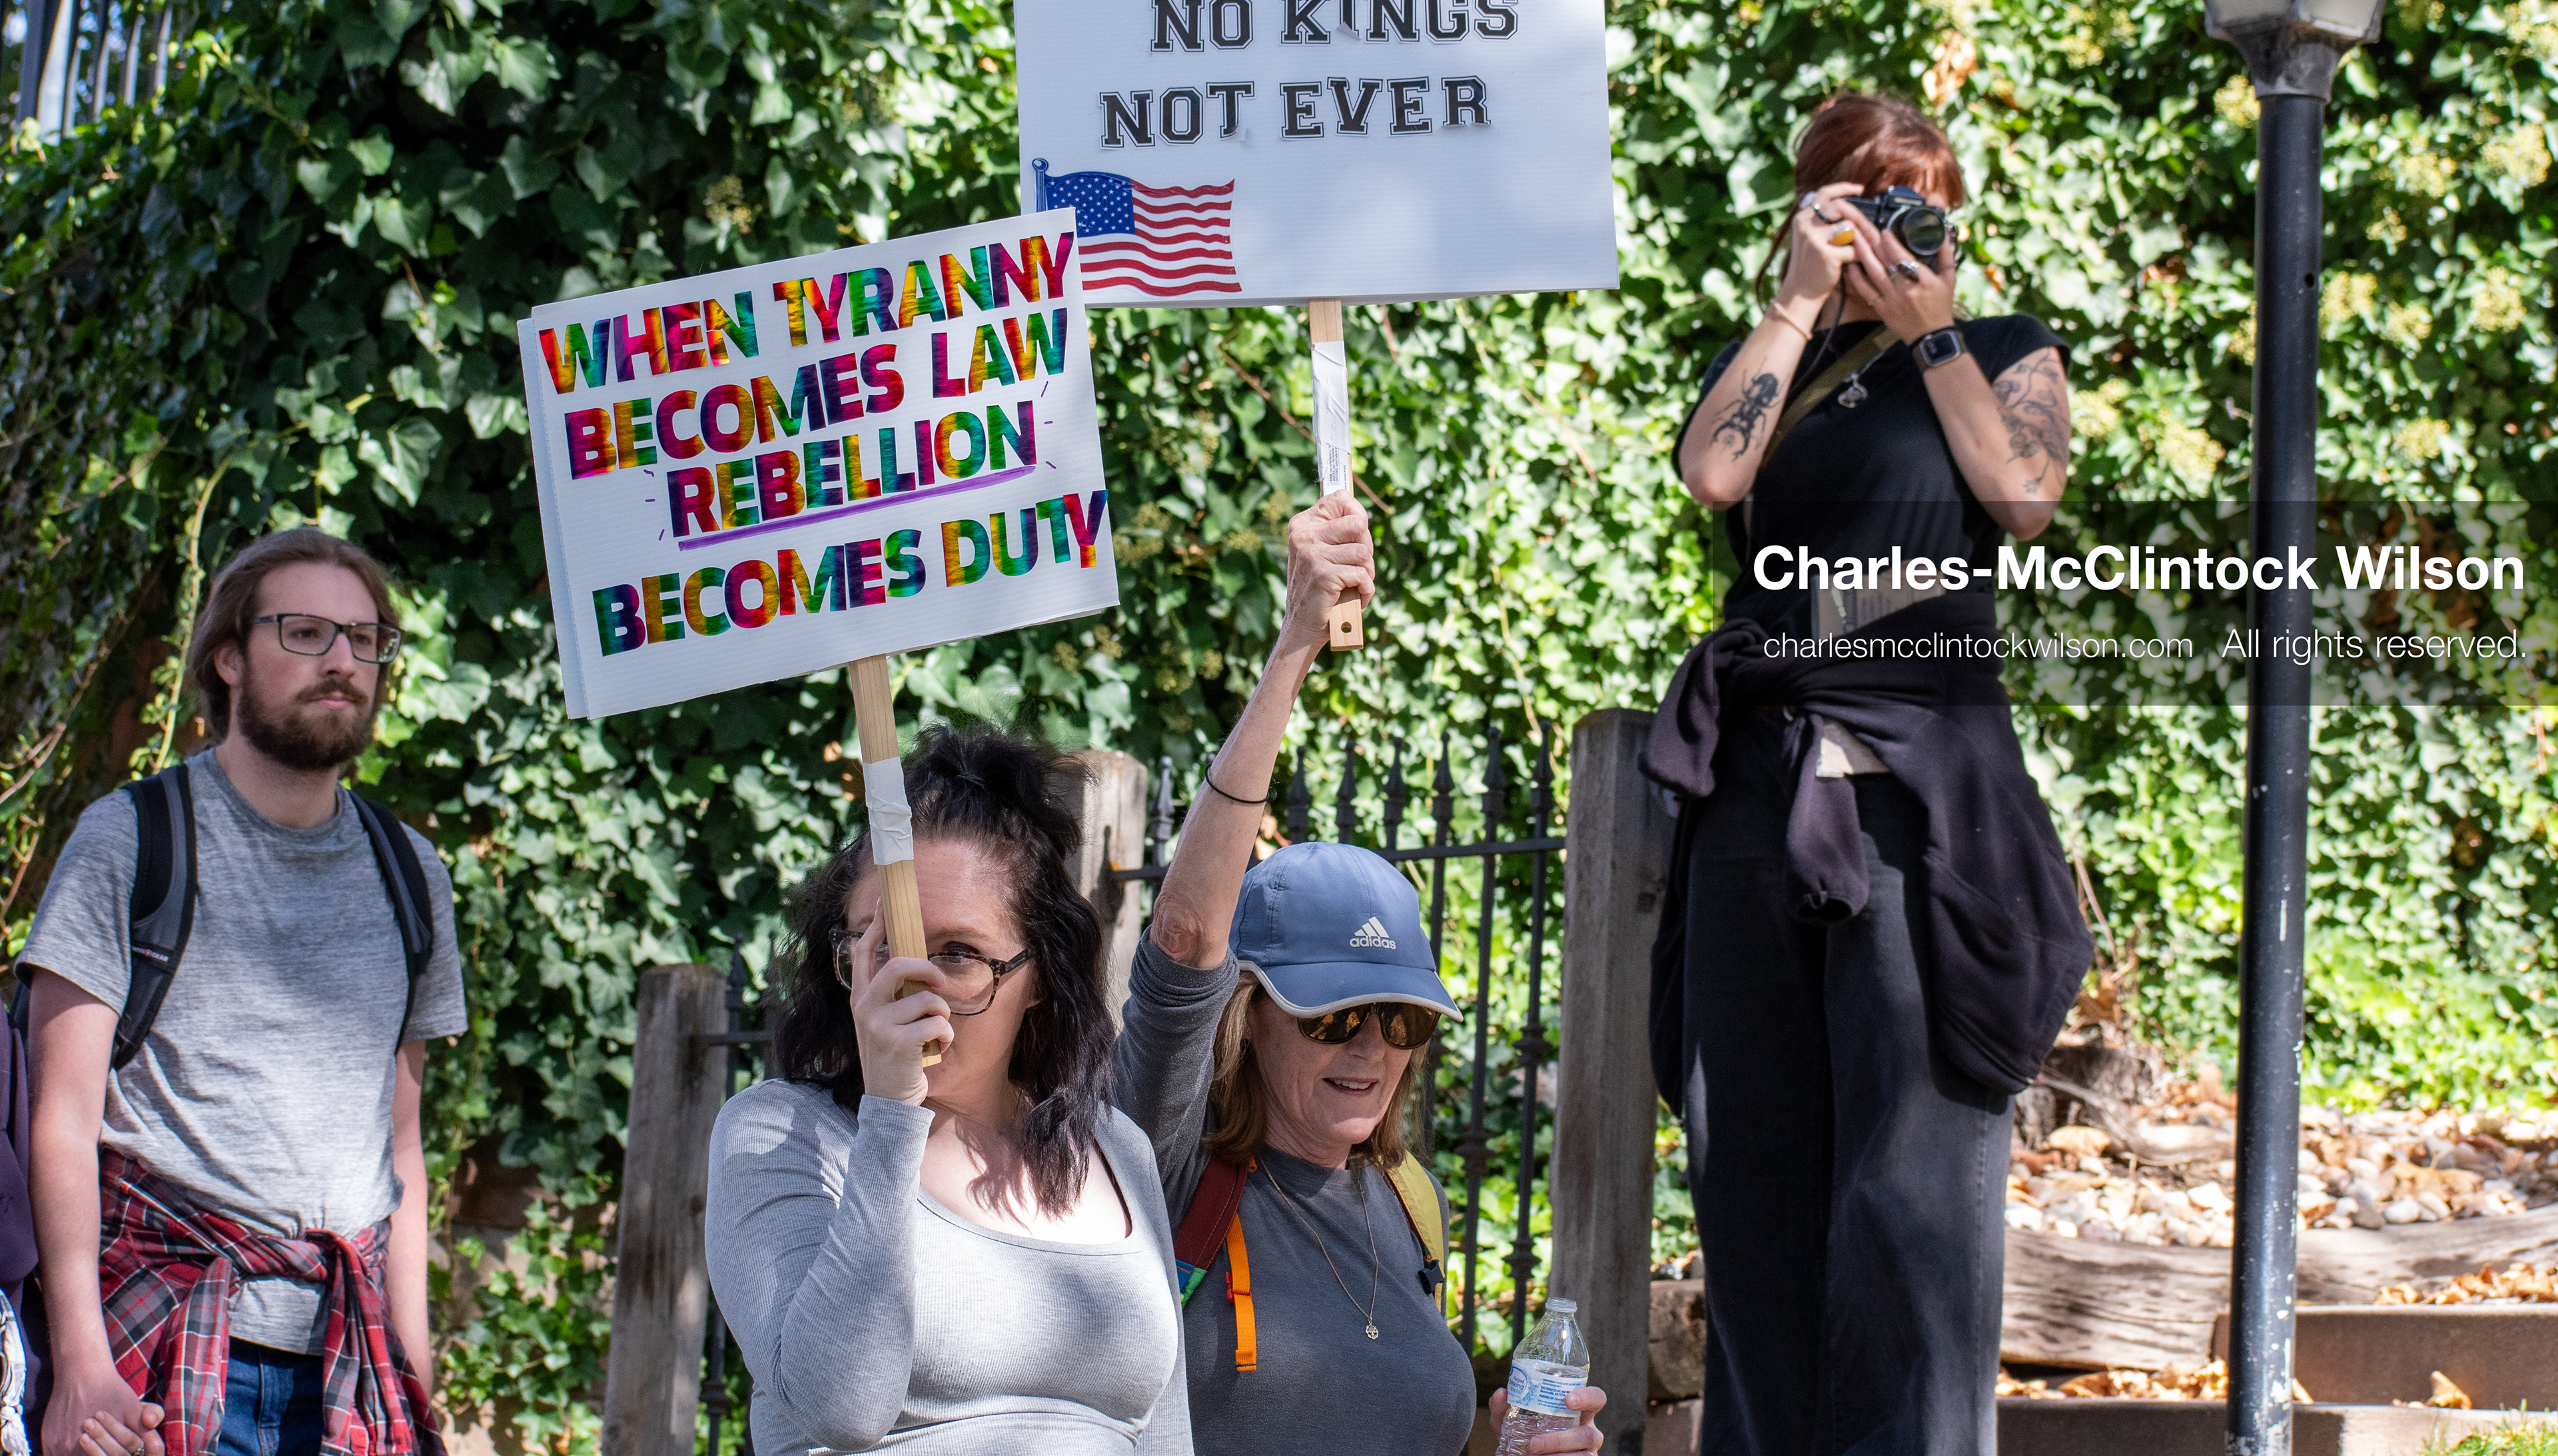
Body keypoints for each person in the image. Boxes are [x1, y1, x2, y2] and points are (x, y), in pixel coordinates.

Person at [1647, 91, 2093, 1456]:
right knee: (1756, 1181)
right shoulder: (1772, 354)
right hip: (1765, 779)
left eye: (1925, 210)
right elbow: (1711, 478)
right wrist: (1797, 304)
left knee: (1914, 1199)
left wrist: (1932, 328)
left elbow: (2022, 496)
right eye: (1865, 206)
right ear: (1811, 212)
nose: (1899, 233)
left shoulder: (2007, 350)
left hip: (1918, 790)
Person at [1113, 499, 1605, 1456]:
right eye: (1335, 1018)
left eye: (1401, 1020)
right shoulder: (1164, 1169)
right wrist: (1296, 641)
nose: (1373, 1049)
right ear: (1249, 1018)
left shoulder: (1408, 1201)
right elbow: (1182, 936)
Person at [21, 527, 465, 1456]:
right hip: (159, 1350)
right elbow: (57, 1125)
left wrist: (415, 1379)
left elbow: (403, 1153)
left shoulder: (411, 872)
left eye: (365, 638)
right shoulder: (133, 842)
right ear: (227, 657)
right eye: (304, 633)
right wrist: (80, 1364)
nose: (343, 661)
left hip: (348, 1367)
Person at [705, 727, 1190, 1454]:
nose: (914, 988)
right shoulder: (778, 1134)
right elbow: (841, 1405)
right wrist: (892, 1113)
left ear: (1040, 977)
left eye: (957, 954)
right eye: (881, 945)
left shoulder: (1117, 1149)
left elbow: (1163, 1433)